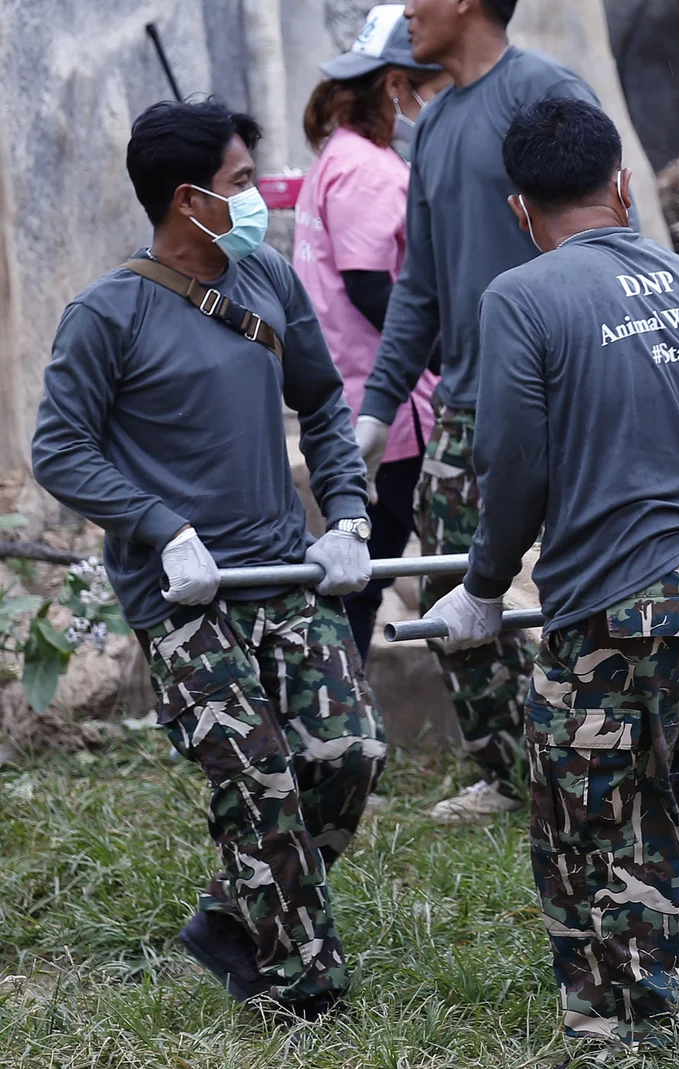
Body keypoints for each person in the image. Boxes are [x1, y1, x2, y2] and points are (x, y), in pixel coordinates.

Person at [31, 99, 382, 1018]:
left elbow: (324, 403)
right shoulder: (108, 313)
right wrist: (160, 525)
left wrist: (346, 515)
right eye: (239, 184)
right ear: (189, 200)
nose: (260, 198)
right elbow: (61, 450)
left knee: (349, 751)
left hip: (281, 572)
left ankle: (232, 914)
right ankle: (305, 987)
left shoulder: (265, 277)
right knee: (257, 771)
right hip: (184, 594)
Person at [420, 97, 679, 1052]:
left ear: (519, 208)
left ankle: (624, 1018)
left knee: (583, 819)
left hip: (623, 597)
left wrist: (484, 586)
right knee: (666, 800)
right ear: (621, 183)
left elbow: (515, 464)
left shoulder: (520, 296)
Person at [356, 0, 601, 823]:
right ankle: (507, 768)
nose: (403, 14)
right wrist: (377, 409)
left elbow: (594, 238)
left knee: (585, 575)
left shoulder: (543, 92)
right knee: (447, 584)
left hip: (566, 390)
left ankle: (598, 751)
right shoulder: (432, 127)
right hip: (464, 401)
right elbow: (418, 287)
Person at [293, 5, 452, 659]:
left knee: (369, 566)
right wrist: (447, 355)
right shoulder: (365, 169)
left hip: (364, 391)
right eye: (428, 85)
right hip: (388, 405)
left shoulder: (345, 154)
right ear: (395, 85)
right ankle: (341, 713)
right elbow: (370, 286)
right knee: (372, 570)